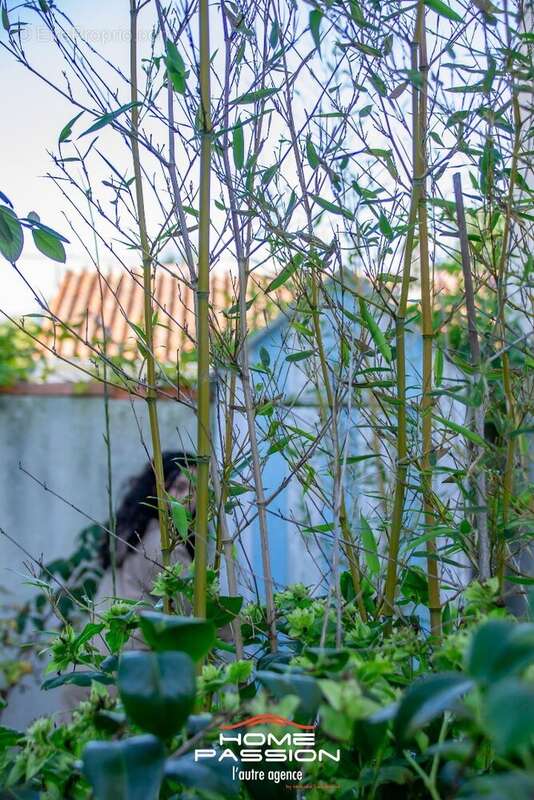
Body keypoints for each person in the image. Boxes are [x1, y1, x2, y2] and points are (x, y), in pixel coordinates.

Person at [95, 451, 196, 606]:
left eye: (196, 489)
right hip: (132, 628)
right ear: (156, 489)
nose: (189, 497)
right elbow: (194, 609)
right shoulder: (165, 546)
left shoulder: (132, 530)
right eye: (180, 487)